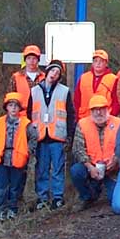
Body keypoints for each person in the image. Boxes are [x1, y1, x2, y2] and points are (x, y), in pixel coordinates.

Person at [28, 60, 76, 210]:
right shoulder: (34, 91)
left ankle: (57, 197)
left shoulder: (64, 91)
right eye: (52, 71)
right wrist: (31, 136)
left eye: (57, 73)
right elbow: (29, 114)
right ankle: (42, 197)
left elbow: (70, 115)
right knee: (41, 168)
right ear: (47, 71)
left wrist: (69, 135)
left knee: (57, 168)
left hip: (57, 136)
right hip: (40, 136)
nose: (54, 74)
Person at [0, 92, 37, 221]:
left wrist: (28, 151)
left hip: (19, 159)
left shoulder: (26, 124)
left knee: (16, 186)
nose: (14, 108)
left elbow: (34, 138)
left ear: (20, 108)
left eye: (16, 105)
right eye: (11, 105)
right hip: (2, 158)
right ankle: (1, 210)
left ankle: (13, 209)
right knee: (2, 186)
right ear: (6, 107)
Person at [71, 94, 120, 211]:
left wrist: (116, 160)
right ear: (91, 111)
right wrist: (90, 167)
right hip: (92, 167)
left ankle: (101, 190)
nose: (99, 113)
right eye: (95, 110)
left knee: (116, 201)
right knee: (76, 171)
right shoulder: (82, 124)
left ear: (108, 109)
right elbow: (78, 149)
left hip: (113, 169)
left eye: (102, 109)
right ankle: (87, 197)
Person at [74, 49, 120, 120]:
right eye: (95, 61)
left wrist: (110, 117)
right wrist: (77, 117)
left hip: (104, 120)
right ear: (92, 63)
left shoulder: (113, 79)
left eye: (101, 61)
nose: (98, 63)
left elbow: (117, 102)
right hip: (84, 119)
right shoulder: (83, 77)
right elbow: (76, 100)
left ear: (106, 64)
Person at [9, 44, 45, 112]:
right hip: (22, 115)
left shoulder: (45, 77)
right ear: (25, 60)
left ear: (38, 60)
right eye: (29, 58)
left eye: (34, 58)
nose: (31, 61)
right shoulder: (15, 77)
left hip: (40, 115)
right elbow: (11, 99)